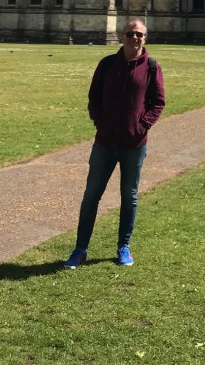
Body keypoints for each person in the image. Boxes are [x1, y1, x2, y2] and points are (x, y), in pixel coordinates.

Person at [64, 19, 165, 269]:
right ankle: (80, 249)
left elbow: (158, 102)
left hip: (134, 144)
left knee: (129, 196)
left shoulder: (151, 67)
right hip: (105, 142)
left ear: (145, 38)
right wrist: (101, 123)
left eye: (139, 34)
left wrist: (141, 127)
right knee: (91, 196)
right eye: (130, 33)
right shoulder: (108, 64)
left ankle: (123, 247)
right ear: (122, 36)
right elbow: (93, 97)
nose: (134, 38)